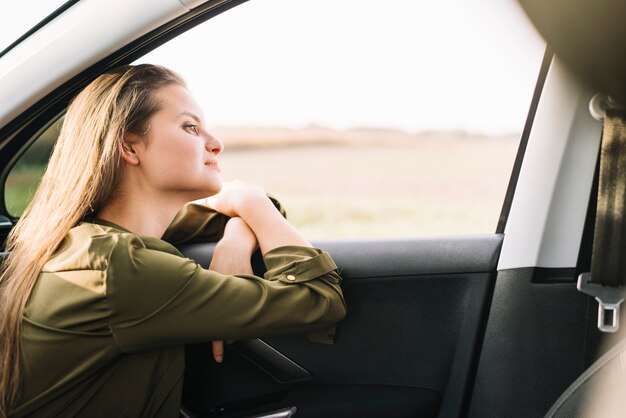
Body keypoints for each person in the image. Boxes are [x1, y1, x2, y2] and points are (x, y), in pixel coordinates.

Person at [0, 64, 346, 417]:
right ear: (130, 147)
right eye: (190, 127)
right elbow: (319, 298)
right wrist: (250, 203)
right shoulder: (118, 264)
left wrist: (236, 236)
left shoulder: (91, 237)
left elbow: (258, 208)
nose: (216, 143)